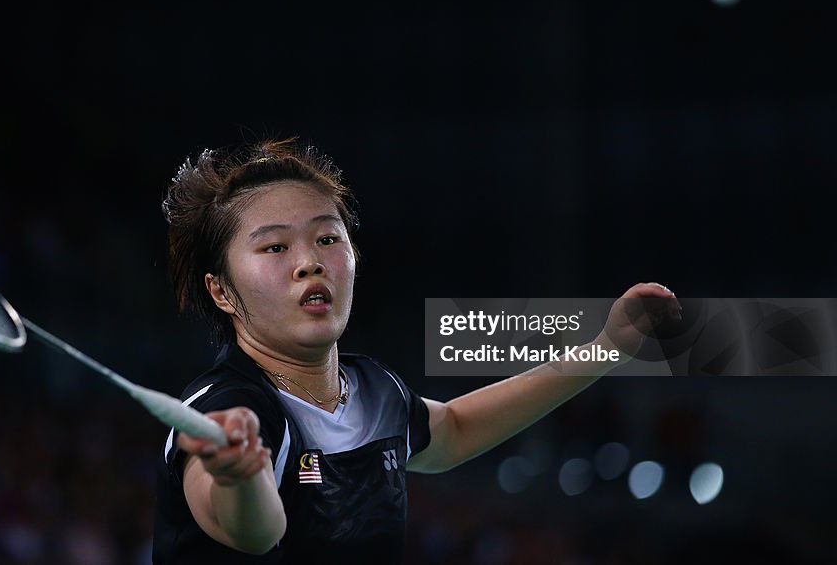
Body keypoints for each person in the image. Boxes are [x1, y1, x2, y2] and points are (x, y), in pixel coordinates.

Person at [152, 138, 680, 564]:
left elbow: (454, 430)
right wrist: (240, 475)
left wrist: (607, 348)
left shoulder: (374, 391)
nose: (309, 262)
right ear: (222, 290)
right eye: (274, 247)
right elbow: (253, 532)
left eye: (328, 239)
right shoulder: (222, 411)